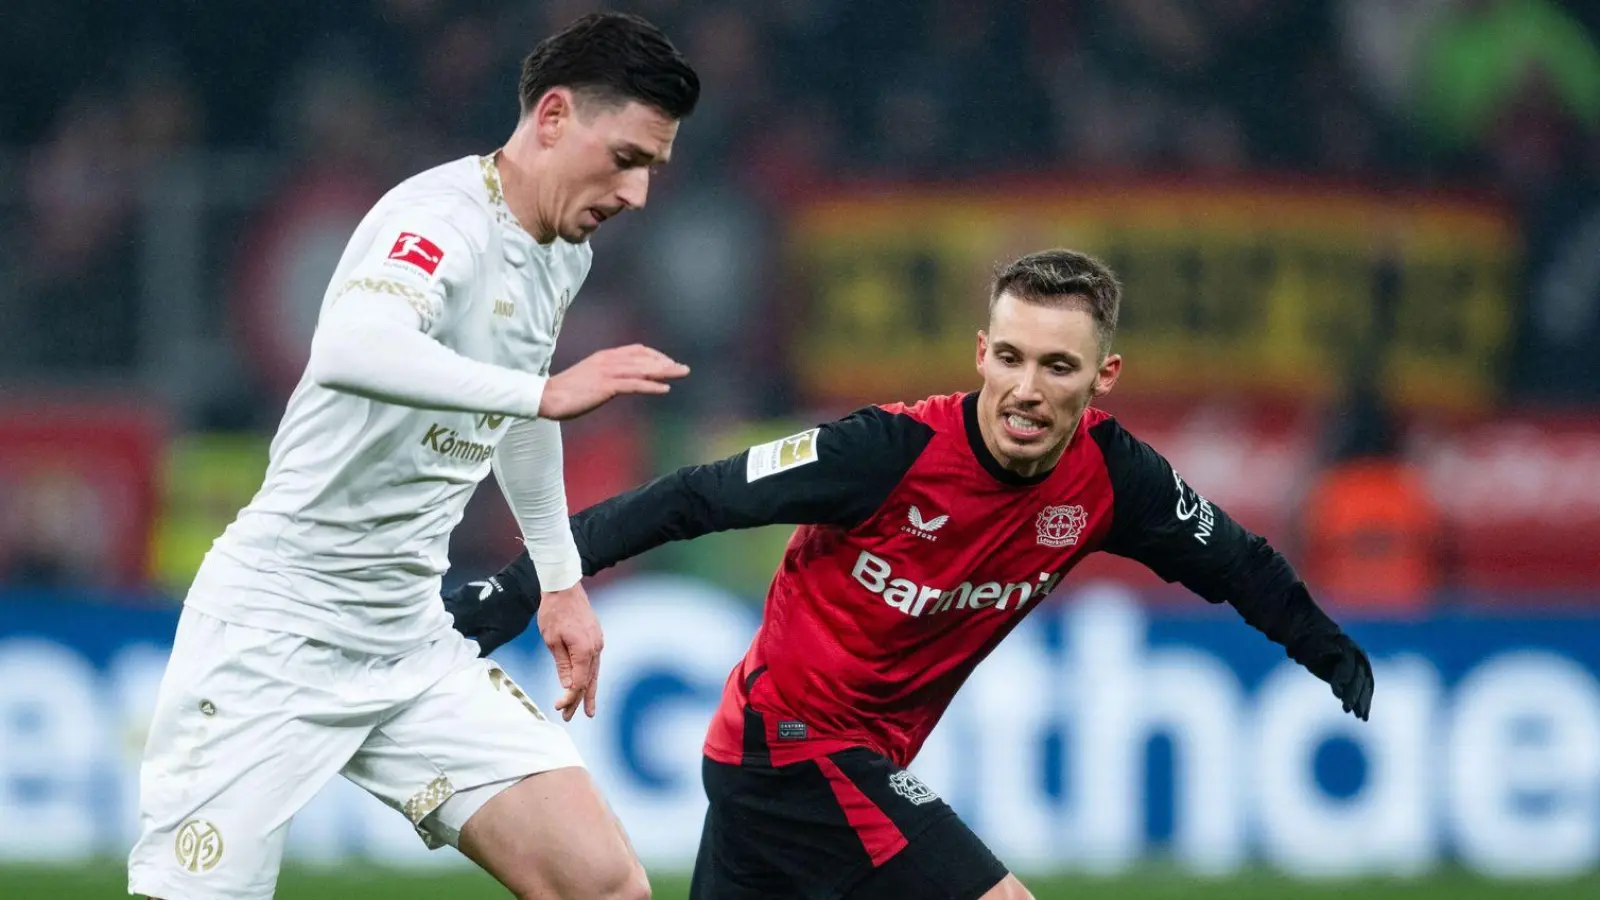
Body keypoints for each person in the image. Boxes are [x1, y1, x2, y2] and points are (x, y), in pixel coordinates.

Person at [445, 249, 1377, 900]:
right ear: (981, 354)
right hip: (795, 750)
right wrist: (520, 590)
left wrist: (1327, 648)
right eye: (1009, 358)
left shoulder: (1116, 478)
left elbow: (1236, 563)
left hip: (783, 762)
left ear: (1104, 377)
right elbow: (692, 498)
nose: (1027, 387)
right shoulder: (885, 451)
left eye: (1059, 366)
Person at [129, 13, 698, 900]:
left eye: (652, 170)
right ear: (552, 116)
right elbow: (356, 347)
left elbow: (514, 408)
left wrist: (558, 578)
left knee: (605, 884)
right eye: (626, 158)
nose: (636, 195)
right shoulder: (438, 219)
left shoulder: (560, 254)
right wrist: (540, 391)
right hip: (274, 633)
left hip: (409, 643)